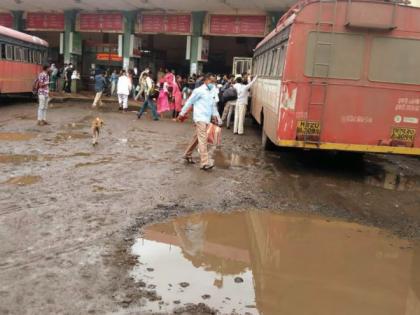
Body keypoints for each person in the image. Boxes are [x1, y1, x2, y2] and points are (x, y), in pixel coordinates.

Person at [178, 73, 220, 170]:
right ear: (205, 80)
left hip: (207, 118)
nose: (213, 83)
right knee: (203, 139)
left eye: (214, 81)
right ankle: (205, 162)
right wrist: (182, 113)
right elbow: (189, 102)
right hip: (199, 117)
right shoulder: (199, 91)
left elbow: (213, 105)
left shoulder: (212, 91)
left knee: (197, 138)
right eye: (211, 81)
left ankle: (187, 154)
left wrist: (215, 116)